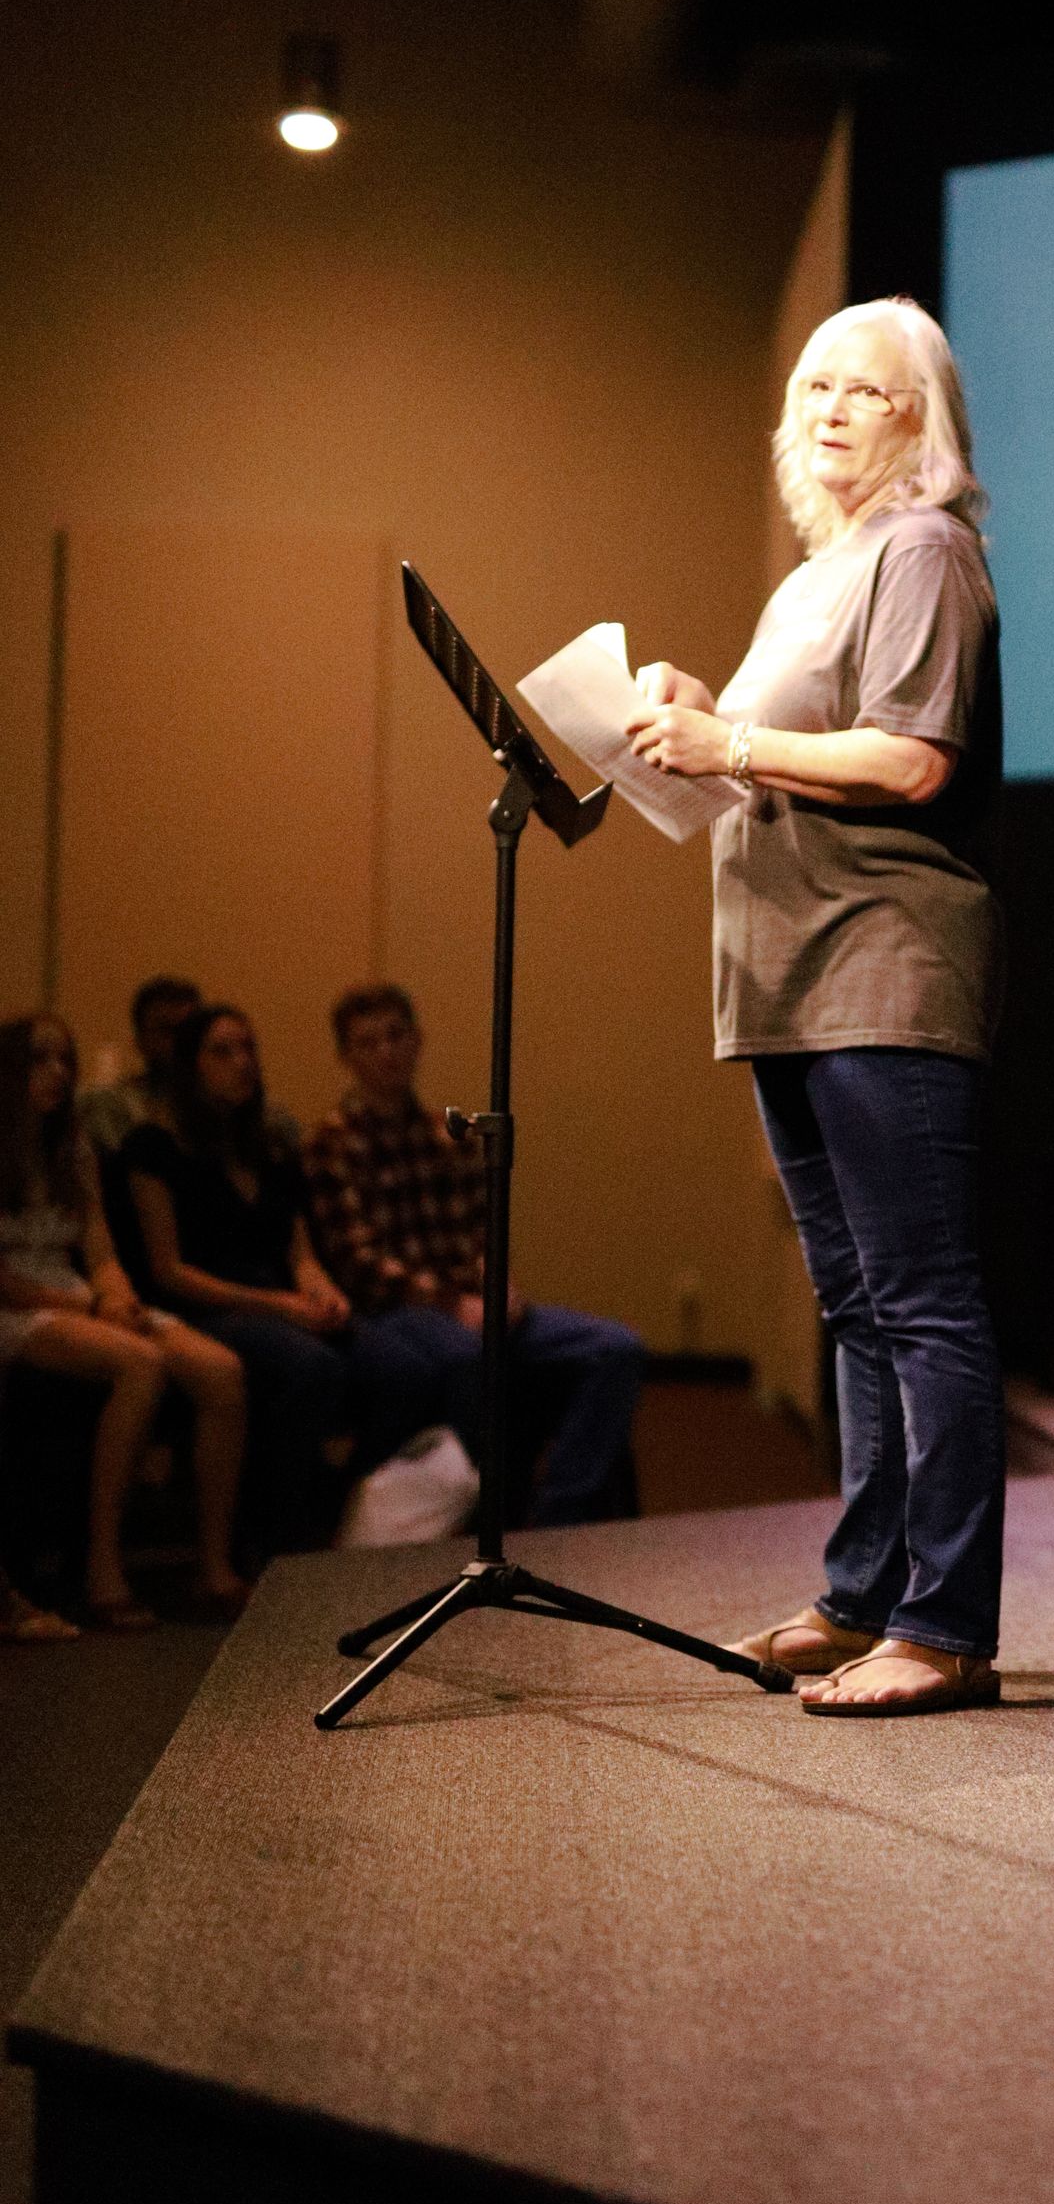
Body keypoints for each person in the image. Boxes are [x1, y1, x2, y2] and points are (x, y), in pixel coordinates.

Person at [626, 294, 1005, 1716]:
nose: (831, 406)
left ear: (918, 419)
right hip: (786, 974)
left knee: (923, 1303)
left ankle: (946, 1625)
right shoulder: (819, 572)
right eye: (813, 386)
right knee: (854, 1303)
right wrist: (691, 718)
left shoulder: (923, 549)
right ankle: (863, 1598)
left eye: (865, 389)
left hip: (880, 962)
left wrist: (731, 732)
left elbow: (908, 762)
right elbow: (773, 760)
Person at [302, 984, 646, 1528]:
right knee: (466, 1354)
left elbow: (480, 1234)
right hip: (395, 1312)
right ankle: (470, 1522)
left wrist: (495, 1284)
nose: (386, 1052)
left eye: (396, 1036)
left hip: (468, 1300)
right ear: (347, 1057)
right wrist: (449, 1302)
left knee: (615, 1347)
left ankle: (555, 1520)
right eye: (368, 1043)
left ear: (417, 1041)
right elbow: (357, 1260)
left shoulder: (446, 1132)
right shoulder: (334, 1139)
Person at [123, 1006, 431, 1555]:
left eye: (248, 1048)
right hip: (206, 1305)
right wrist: (280, 1305)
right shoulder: (154, 1146)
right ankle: (268, 1531)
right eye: (223, 1051)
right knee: (312, 1366)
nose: (242, 1063)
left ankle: (336, 1506)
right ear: (192, 1066)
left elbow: (298, 1249)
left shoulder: (266, 1144)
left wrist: (321, 1289)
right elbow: (167, 1269)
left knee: (399, 1369)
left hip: (279, 1298)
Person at [0, 1012, 250, 1626]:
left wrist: (113, 1294)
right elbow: (5, 1280)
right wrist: (93, 1307)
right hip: (16, 1303)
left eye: (64, 1059)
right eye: (40, 1060)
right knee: (141, 1364)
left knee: (219, 1369)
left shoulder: (70, 1144)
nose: (57, 1073)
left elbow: (99, 1246)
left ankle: (213, 1567)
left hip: (72, 1290)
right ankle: (104, 1570)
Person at [76, 975, 203, 1160]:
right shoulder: (111, 1105)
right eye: (166, 1030)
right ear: (140, 1040)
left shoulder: (220, 1105)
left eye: (189, 1030)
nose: (180, 1042)